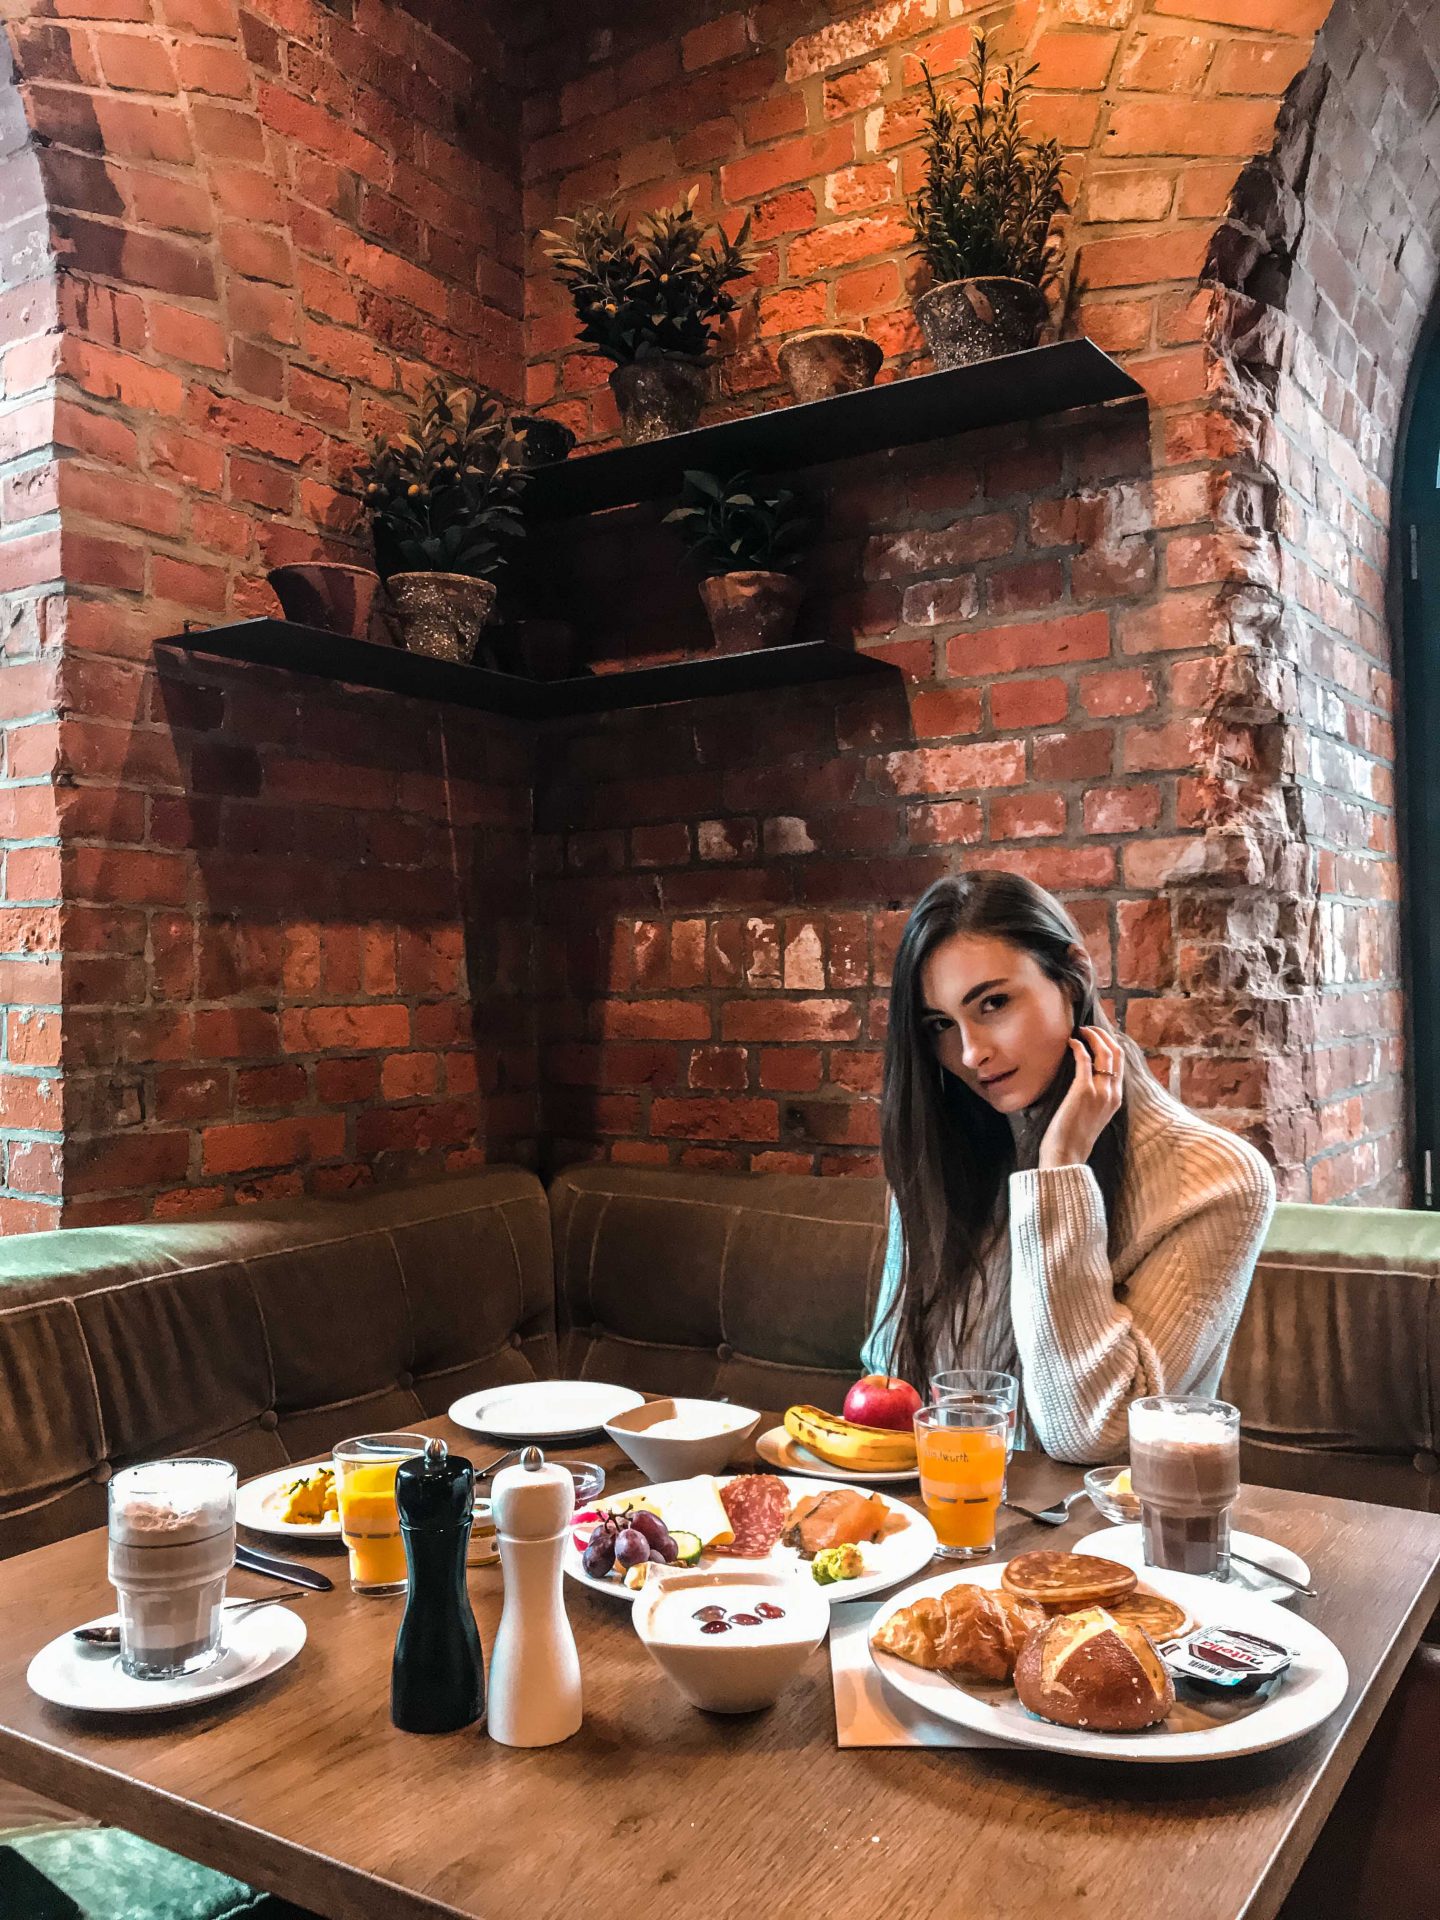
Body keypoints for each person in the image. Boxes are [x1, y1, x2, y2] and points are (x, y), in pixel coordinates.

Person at [862, 870, 1276, 1464]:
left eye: (994, 1003)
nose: (971, 1052)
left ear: (1074, 975)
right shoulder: (944, 1154)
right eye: (941, 1025)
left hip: (1105, 1520)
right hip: (939, 1513)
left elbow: (1091, 1434)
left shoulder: (1218, 1180)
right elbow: (890, 1379)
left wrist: (1058, 1170)